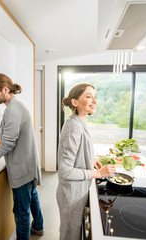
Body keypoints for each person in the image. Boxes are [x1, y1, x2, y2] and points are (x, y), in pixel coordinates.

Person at [0, 73, 44, 240]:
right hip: (28, 166)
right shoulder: (15, 106)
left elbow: (7, 144)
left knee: (21, 212)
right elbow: (7, 140)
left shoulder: (13, 111)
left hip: (22, 168)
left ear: (5, 89)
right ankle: (39, 227)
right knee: (32, 197)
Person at [56, 83, 116, 240]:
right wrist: (97, 173)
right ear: (75, 102)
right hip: (71, 195)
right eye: (88, 96)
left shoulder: (79, 122)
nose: (94, 101)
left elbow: (77, 153)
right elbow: (65, 171)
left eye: (95, 96)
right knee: (70, 235)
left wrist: (91, 159)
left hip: (79, 192)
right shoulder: (73, 128)